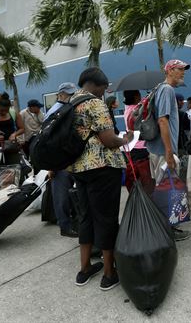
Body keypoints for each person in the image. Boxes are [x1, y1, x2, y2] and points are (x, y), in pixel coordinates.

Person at [70, 67, 133, 291]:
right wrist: (124, 139)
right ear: (97, 85)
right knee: (106, 218)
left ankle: (85, 268)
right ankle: (109, 273)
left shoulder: (71, 102)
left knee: (86, 217)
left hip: (79, 167)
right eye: (104, 88)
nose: (104, 92)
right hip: (102, 168)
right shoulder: (95, 103)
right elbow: (107, 139)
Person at [146, 59, 191, 241]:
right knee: (167, 189)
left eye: (183, 70)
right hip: (163, 151)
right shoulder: (166, 90)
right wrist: (169, 151)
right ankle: (167, 231)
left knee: (164, 188)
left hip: (159, 150)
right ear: (170, 70)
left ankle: (167, 228)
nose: (183, 73)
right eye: (180, 69)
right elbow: (162, 120)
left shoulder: (160, 89)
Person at [44, 82, 79, 238]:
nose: (72, 97)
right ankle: (64, 226)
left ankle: (70, 221)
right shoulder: (55, 113)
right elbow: (48, 142)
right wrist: (51, 166)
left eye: (73, 94)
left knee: (68, 193)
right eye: (69, 94)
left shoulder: (67, 109)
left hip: (69, 159)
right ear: (60, 95)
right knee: (61, 196)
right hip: (59, 162)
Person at [123, 90, 153, 195]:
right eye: (139, 95)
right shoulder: (135, 111)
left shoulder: (127, 109)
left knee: (137, 177)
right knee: (145, 178)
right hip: (141, 147)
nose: (140, 97)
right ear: (135, 97)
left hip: (131, 148)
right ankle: (146, 200)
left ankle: (139, 196)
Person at [0, 93, 24, 165]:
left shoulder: (13, 113)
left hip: (11, 147)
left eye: (6, 110)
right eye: (1, 110)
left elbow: (22, 128)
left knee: (15, 169)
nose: (4, 112)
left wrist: (14, 134)